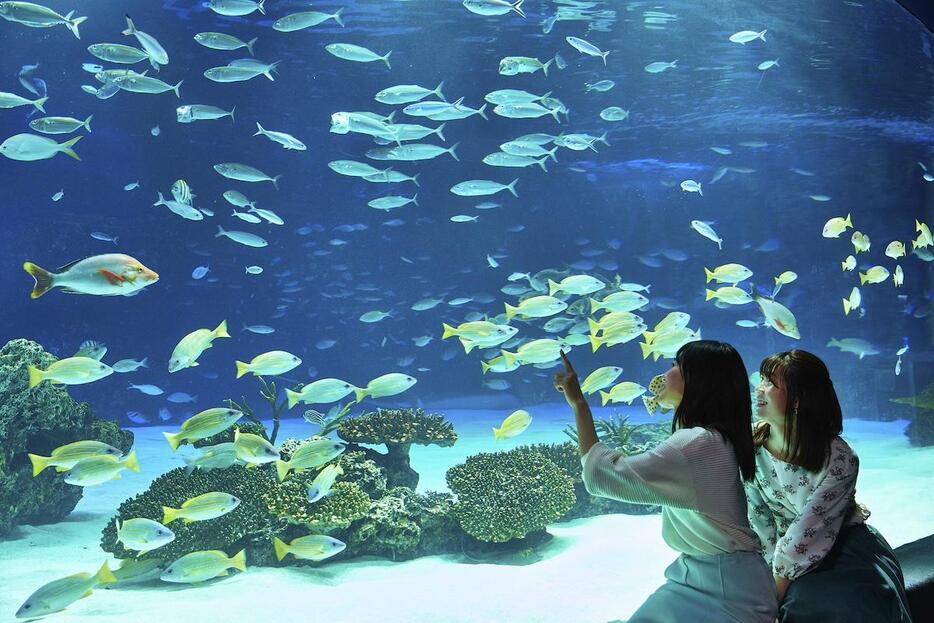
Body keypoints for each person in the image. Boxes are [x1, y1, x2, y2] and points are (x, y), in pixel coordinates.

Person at [554, 341, 777, 623]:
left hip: (724, 590)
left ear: (697, 382)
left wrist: (579, 404)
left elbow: (606, 475)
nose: (666, 373)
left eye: (674, 366)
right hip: (710, 575)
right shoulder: (714, 437)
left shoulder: (697, 444)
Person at [747, 349, 913, 623]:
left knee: (848, 607)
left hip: (844, 547)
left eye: (769, 383)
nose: (759, 388)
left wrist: (774, 592)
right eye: (761, 380)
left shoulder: (839, 457)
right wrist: (765, 576)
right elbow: (759, 518)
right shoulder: (750, 444)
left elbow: (810, 529)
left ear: (798, 400)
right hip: (780, 555)